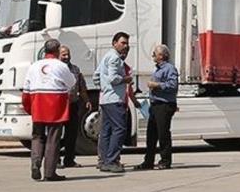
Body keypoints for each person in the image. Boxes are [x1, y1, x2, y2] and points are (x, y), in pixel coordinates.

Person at [22, 38, 76, 181]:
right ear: (57, 51)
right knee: (53, 138)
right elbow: (72, 82)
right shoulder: (61, 66)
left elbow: (26, 89)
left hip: (37, 102)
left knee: (37, 136)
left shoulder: (34, 66)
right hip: (55, 103)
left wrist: (29, 108)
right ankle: (49, 172)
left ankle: (35, 162)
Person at [135, 45, 179, 170]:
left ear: (162, 55)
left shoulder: (170, 69)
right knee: (151, 134)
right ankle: (148, 161)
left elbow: (173, 85)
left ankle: (165, 161)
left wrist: (156, 85)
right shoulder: (158, 69)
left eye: (154, 53)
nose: (153, 56)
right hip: (155, 105)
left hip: (164, 105)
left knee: (163, 133)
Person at [96, 32, 132, 173]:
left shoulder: (106, 56)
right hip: (114, 98)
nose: (125, 46)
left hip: (106, 99)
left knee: (106, 130)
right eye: (123, 43)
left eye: (127, 43)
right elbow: (113, 78)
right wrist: (125, 79)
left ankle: (104, 160)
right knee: (119, 129)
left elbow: (96, 76)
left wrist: (103, 88)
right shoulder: (115, 58)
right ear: (114, 43)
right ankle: (111, 160)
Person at [58, 46, 91, 168]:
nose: (66, 57)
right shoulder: (55, 69)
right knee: (57, 134)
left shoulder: (75, 69)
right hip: (59, 106)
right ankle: (55, 160)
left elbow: (82, 88)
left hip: (73, 104)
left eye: (68, 54)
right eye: (63, 55)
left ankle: (69, 159)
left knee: (71, 134)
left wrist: (87, 100)